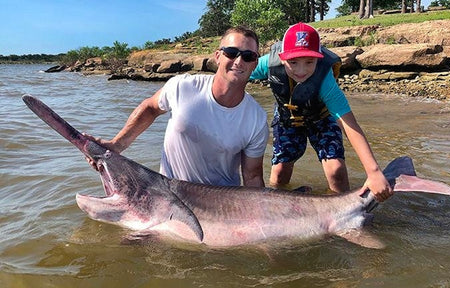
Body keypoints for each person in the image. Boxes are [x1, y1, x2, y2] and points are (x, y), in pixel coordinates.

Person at [86, 26, 269, 188]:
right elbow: (150, 108)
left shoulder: (257, 119)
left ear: (254, 63)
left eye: (248, 56)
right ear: (218, 56)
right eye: (231, 52)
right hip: (170, 195)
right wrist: (117, 145)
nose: (238, 61)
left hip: (222, 205)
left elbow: (252, 177)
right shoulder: (183, 86)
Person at [250, 22, 393, 201]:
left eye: (309, 62)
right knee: (279, 173)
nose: (301, 70)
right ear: (282, 58)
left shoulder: (325, 80)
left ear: (318, 59)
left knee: (336, 170)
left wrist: (374, 172)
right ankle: (275, 211)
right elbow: (238, 74)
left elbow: (349, 124)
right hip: (288, 119)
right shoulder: (267, 64)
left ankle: (343, 209)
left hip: (321, 119)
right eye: (293, 62)